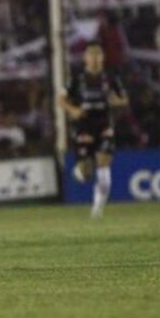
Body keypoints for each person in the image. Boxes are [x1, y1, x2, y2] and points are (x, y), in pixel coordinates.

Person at [58, 42, 128, 219]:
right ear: (85, 58)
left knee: (103, 162)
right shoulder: (76, 78)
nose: (95, 58)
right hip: (84, 126)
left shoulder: (111, 77)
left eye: (98, 54)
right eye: (91, 54)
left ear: (103, 57)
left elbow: (124, 99)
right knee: (86, 171)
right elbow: (61, 99)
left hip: (104, 125)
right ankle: (79, 172)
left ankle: (97, 209)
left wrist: (116, 102)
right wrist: (73, 110)